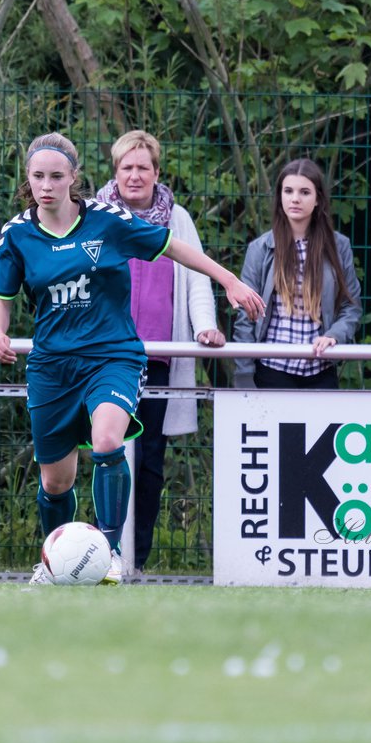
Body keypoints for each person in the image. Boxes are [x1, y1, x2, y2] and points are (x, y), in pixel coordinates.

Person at [0, 132, 264, 585]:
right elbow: (0, 298)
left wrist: (227, 278)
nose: (47, 185)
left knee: (109, 442)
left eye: (57, 176)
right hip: (52, 367)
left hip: (112, 356)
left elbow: (172, 245)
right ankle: (57, 563)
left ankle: (110, 553)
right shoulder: (16, 234)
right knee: (56, 482)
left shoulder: (106, 220)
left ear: (74, 178)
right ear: (29, 179)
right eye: (38, 176)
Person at [92, 130, 225, 573]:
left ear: (156, 172)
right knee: (103, 453)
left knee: (148, 460)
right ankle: (97, 554)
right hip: (104, 357)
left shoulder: (177, 219)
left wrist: (205, 328)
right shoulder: (94, 216)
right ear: (116, 172)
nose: (134, 175)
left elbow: (197, 280)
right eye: (126, 167)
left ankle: (136, 559)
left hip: (158, 358)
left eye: (142, 167)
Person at [233, 158, 362, 391]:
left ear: (318, 200)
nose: (295, 199)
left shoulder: (338, 246)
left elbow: (351, 307)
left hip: (321, 370)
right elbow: (245, 315)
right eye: (288, 191)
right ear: (280, 196)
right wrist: (244, 372)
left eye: (304, 192)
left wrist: (335, 334)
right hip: (271, 370)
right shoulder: (260, 248)